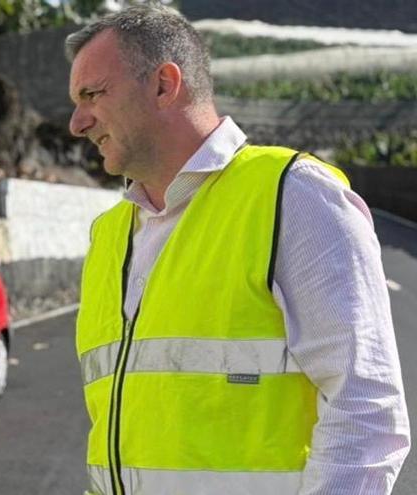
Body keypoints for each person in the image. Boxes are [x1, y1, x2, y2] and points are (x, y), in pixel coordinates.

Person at [68, 6, 409, 495]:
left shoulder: (294, 195)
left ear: (165, 85)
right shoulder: (109, 235)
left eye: (92, 94)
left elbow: (366, 409)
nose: (78, 123)